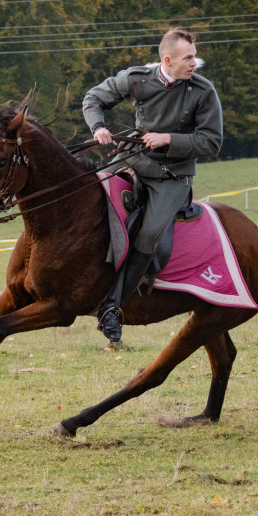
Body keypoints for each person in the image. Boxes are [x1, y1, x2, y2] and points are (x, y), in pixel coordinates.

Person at [83, 28, 223, 342]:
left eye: (194, 57)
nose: (194, 63)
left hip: (172, 178)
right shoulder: (136, 78)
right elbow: (94, 98)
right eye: (188, 58)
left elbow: (212, 142)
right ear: (167, 60)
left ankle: (112, 308)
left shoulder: (203, 90)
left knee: (148, 235)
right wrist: (99, 127)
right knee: (92, 202)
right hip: (132, 162)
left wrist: (168, 140)